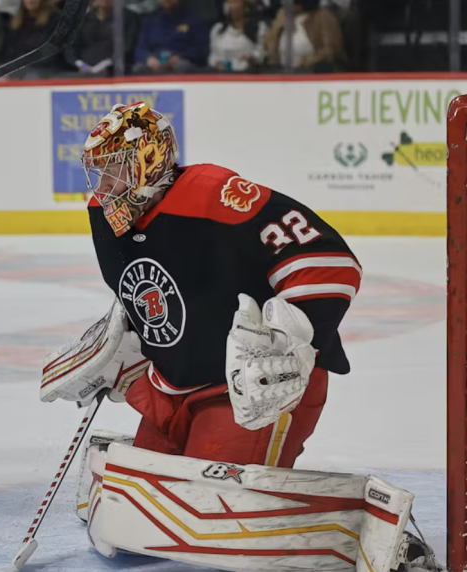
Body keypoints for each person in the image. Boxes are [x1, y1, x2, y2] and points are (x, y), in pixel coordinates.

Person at [36, 102, 444, 571]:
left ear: (151, 161)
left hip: (250, 390)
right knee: (135, 523)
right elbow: (156, 285)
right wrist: (123, 342)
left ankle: (368, 540)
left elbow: (330, 261)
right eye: (97, 173)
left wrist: (292, 333)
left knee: (213, 519)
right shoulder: (104, 214)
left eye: (116, 170)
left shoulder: (215, 195)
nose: (103, 186)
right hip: (170, 391)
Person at [209, 0, 266, 72]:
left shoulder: (258, 28)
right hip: (222, 76)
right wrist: (217, 64)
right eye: (229, 2)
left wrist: (252, 59)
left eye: (235, 2)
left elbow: (261, 54)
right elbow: (213, 57)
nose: (232, 6)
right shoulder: (218, 30)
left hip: (248, 76)